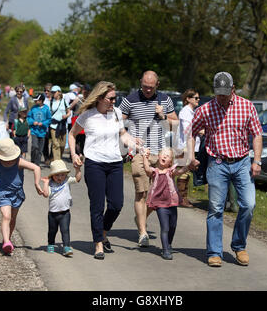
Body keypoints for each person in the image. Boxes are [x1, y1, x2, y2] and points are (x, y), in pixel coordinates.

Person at [188, 71, 263, 267]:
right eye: (218, 93)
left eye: (225, 93)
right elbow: (191, 133)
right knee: (215, 208)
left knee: (248, 204)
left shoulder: (246, 107)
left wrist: (257, 160)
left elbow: (256, 134)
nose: (221, 97)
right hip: (217, 163)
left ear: (233, 88)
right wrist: (191, 156)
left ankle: (239, 246)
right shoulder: (205, 110)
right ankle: (214, 252)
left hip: (242, 162)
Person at [68, 81, 142, 260]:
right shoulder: (87, 115)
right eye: (111, 98)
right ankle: (98, 243)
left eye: (115, 98)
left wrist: (135, 143)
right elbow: (72, 134)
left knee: (117, 204)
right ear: (100, 98)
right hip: (95, 164)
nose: (114, 101)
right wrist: (74, 155)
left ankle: (103, 231)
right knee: (97, 205)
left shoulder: (116, 113)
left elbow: (122, 134)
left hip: (115, 163)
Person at [119, 70, 178, 247]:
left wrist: (163, 115)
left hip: (160, 154)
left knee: (159, 194)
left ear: (157, 85)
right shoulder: (129, 100)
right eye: (144, 86)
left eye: (151, 88)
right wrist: (129, 138)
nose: (147, 90)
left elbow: (175, 124)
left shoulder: (165, 100)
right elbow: (117, 123)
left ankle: (141, 217)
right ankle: (143, 232)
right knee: (142, 192)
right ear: (140, 83)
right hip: (139, 152)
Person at [0, 138, 43, 254]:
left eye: (10, 159)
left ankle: (6, 240)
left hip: (17, 193)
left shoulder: (19, 162)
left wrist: (37, 183)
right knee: (6, 216)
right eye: (5, 159)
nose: (8, 162)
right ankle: (7, 241)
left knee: (12, 219)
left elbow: (36, 168)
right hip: (4, 193)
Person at [143, 147, 189, 260]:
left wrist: (189, 165)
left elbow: (180, 171)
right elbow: (147, 169)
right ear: (158, 156)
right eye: (163, 154)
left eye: (167, 156)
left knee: (173, 226)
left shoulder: (171, 172)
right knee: (165, 227)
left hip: (172, 203)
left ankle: (168, 244)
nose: (164, 156)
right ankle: (165, 250)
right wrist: (145, 157)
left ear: (170, 162)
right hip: (160, 204)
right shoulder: (155, 172)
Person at [41, 160, 82, 256]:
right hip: (53, 214)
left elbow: (77, 179)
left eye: (62, 175)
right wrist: (46, 183)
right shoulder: (50, 184)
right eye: (57, 175)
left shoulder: (67, 180)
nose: (60, 177)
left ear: (66, 174)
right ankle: (51, 244)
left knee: (65, 230)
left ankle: (66, 247)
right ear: (52, 176)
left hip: (65, 213)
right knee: (52, 231)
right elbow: (46, 194)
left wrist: (78, 169)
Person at [175, 89, 202, 208]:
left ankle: (183, 197)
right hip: (184, 146)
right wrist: (200, 130)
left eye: (198, 98)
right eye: (196, 98)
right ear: (188, 99)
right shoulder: (185, 112)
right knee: (183, 173)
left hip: (191, 146)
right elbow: (187, 130)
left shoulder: (192, 112)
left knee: (188, 172)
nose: (198, 100)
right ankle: (181, 198)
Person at [27, 93, 52, 166]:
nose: (35, 102)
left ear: (41, 101)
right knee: (35, 146)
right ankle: (32, 160)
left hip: (43, 132)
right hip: (34, 131)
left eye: (37, 100)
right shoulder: (33, 108)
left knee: (40, 149)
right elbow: (29, 117)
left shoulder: (46, 108)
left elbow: (49, 119)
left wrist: (43, 123)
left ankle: (37, 164)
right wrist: (32, 122)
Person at [49, 85, 71, 161]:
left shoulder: (64, 101)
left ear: (59, 92)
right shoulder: (51, 101)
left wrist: (66, 116)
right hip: (53, 125)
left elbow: (69, 112)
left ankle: (59, 158)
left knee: (62, 145)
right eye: (52, 92)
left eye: (54, 92)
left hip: (63, 125)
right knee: (56, 144)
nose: (53, 93)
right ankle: (57, 161)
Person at [42, 83, 53, 165]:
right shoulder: (43, 100)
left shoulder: (54, 100)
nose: (46, 92)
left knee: (54, 141)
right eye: (45, 90)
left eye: (48, 91)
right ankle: (46, 157)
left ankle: (51, 157)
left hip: (53, 123)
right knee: (45, 141)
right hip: (44, 123)